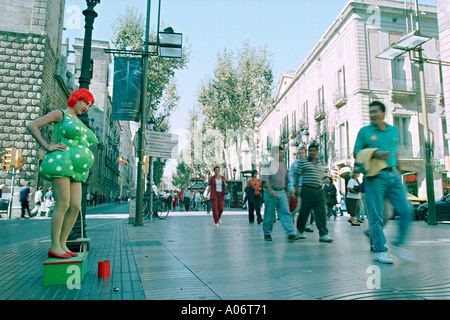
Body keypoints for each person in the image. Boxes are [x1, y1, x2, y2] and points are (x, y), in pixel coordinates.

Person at [27, 88, 98, 259]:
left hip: (76, 168)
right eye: (85, 102)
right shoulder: (60, 114)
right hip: (61, 162)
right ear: (76, 99)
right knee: (63, 204)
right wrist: (47, 146)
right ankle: (54, 245)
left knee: (75, 206)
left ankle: (63, 243)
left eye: (89, 105)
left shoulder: (78, 121)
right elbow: (32, 125)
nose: (86, 107)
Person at [354, 100, 413, 264]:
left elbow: (396, 151)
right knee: (376, 216)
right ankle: (380, 250)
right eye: (370, 112)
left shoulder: (393, 130)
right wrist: (375, 153)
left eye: (375, 111)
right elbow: (356, 153)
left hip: (393, 174)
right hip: (375, 176)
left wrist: (399, 171)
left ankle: (399, 244)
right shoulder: (364, 132)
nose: (372, 115)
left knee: (406, 210)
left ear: (383, 113)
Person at [261, 146, 302, 242]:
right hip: (271, 192)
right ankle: (267, 232)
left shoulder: (283, 166)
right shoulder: (267, 165)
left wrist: (289, 190)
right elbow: (265, 179)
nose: (282, 154)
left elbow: (287, 180)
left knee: (286, 212)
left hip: (282, 192)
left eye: (282, 153)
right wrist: (270, 190)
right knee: (269, 214)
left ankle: (291, 233)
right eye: (280, 153)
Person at [294, 142, 333, 243]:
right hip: (307, 190)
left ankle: (323, 234)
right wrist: (297, 188)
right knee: (304, 212)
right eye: (310, 151)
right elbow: (297, 175)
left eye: (314, 151)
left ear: (317, 152)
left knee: (321, 213)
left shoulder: (319, 163)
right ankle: (300, 231)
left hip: (319, 191)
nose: (312, 152)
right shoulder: (303, 162)